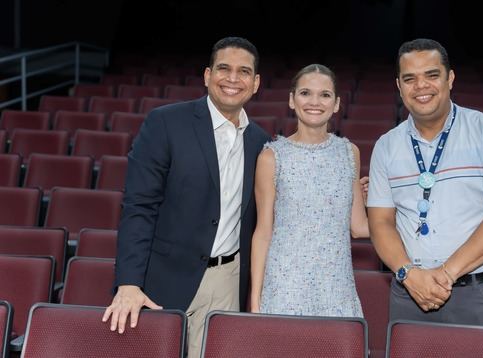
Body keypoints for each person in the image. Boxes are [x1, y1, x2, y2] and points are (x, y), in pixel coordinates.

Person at [102, 36, 271, 358]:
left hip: (228, 281)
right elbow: (139, 207)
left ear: (256, 82)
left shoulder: (261, 142)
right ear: (207, 75)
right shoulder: (165, 123)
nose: (233, 79)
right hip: (165, 279)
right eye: (224, 69)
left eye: (244, 71)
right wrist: (128, 283)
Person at [367, 38, 483, 327]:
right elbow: (380, 223)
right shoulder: (386, 146)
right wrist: (409, 275)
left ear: (450, 78)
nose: (421, 86)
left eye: (431, 75)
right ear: (399, 86)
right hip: (409, 293)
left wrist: (446, 274)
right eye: (410, 79)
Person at [250, 64, 368, 317]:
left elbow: (359, 227)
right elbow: (263, 232)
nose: (315, 101)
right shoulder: (272, 156)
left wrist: (397, 206)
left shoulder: (350, 153)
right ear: (292, 100)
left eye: (325, 95)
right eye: (305, 93)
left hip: (336, 287)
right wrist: (255, 300)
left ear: (336, 104)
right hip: (284, 286)